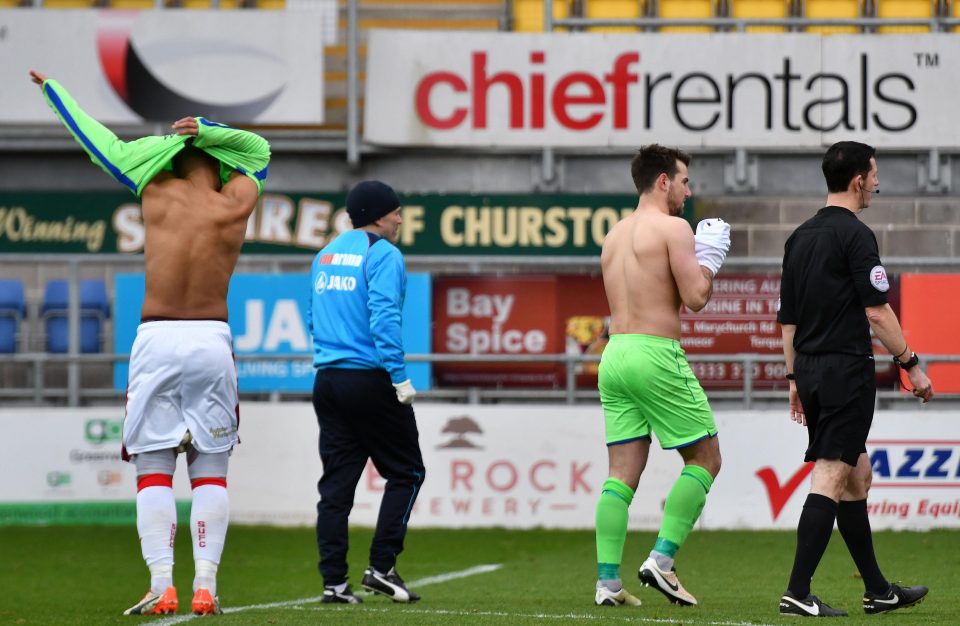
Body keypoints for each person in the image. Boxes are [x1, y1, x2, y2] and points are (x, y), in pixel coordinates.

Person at [31, 69, 270, 616]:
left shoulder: (153, 190)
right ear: (216, 162)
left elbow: (98, 142)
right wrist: (208, 130)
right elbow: (259, 151)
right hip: (212, 340)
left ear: (169, 159)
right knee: (211, 467)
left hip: (157, 337)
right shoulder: (238, 197)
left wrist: (54, 91)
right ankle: (205, 585)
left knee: (153, 467)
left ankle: (163, 583)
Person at [776, 141, 933, 618]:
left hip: (810, 368)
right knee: (832, 473)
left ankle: (878, 590)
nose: (878, 183)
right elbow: (877, 311)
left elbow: (789, 322)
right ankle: (797, 591)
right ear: (858, 179)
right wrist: (911, 363)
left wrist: (793, 376)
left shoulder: (799, 237)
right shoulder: (856, 235)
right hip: (846, 369)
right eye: (874, 174)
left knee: (856, 476)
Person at [594, 144, 729, 608]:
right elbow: (696, 298)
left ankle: (607, 582)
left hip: (614, 355)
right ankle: (662, 561)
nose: (689, 192)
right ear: (663, 181)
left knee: (620, 475)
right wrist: (711, 257)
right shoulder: (674, 228)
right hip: (655, 352)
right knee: (707, 458)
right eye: (685, 181)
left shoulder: (613, 234)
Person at [308, 180, 425, 605]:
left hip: (328, 379)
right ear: (378, 216)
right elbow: (384, 319)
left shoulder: (325, 255)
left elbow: (312, 314)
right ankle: (381, 567)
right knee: (407, 472)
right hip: (370, 378)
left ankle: (334, 583)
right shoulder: (384, 255)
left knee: (336, 488)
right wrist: (398, 376)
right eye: (395, 211)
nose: (399, 217)